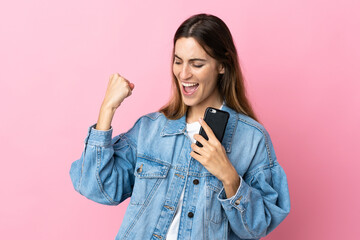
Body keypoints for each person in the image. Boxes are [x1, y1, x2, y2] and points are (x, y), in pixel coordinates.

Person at [69, 13, 290, 240]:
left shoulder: (251, 139)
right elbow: (95, 187)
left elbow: (256, 227)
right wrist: (107, 110)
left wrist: (229, 177)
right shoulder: (150, 130)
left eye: (197, 64)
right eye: (178, 61)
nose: (184, 74)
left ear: (222, 66)